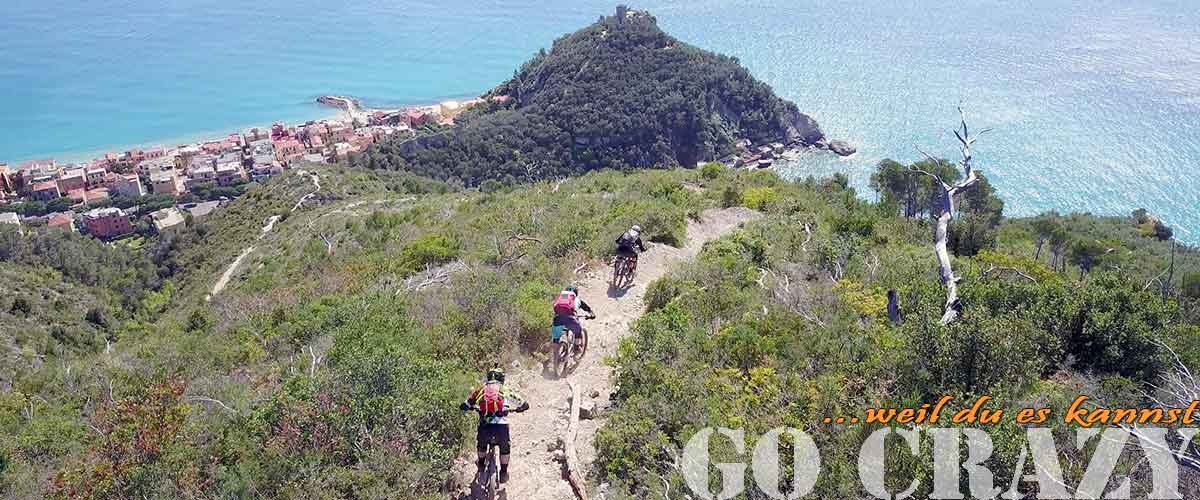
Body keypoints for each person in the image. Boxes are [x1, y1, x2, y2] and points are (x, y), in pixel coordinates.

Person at [460, 367, 528, 484]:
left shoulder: (480, 390)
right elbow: (524, 404)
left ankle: (481, 465)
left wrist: (470, 407)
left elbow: (465, 405)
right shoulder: (504, 389)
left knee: (481, 445)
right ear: (502, 379)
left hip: (485, 427)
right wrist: (519, 409)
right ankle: (503, 473)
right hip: (501, 427)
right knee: (505, 448)